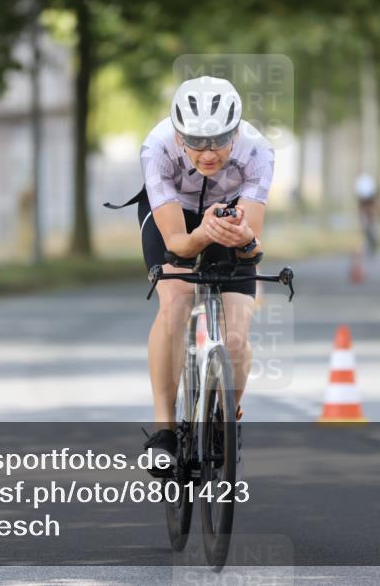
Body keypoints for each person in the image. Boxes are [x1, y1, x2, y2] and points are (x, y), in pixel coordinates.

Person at [109, 76, 273, 472]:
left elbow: (250, 245)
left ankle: (224, 419)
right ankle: (164, 430)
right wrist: (200, 234)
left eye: (218, 140)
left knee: (237, 329)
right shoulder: (158, 148)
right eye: (196, 141)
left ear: (235, 132)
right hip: (174, 216)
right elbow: (178, 244)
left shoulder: (258, 152)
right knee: (176, 302)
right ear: (179, 136)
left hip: (229, 212)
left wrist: (245, 240)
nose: (208, 152)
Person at [355, 173, 379, 257]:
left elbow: (373, 202)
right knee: (365, 223)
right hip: (365, 201)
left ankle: (372, 237)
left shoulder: (368, 186)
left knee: (369, 221)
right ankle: (369, 236)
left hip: (369, 201)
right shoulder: (362, 185)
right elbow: (360, 204)